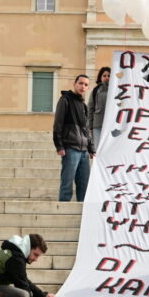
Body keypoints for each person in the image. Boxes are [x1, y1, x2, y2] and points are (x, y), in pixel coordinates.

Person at [53, 74, 96, 202]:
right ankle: (62, 211)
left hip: (83, 151)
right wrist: (59, 146)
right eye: (81, 83)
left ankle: (83, 216)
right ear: (75, 83)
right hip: (70, 148)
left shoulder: (84, 105)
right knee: (67, 184)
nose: (83, 86)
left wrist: (91, 148)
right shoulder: (65, 100)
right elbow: (57, 124)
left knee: (84, 185)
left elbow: (87, 130)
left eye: (86, 85)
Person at [90, 66, 111, 150]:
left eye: (109, 76)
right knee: (98, 149)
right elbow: (90, 108)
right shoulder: (95, 91)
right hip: (97, 126)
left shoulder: (117, 90)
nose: (107, 78)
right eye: (104, 75)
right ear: (100, 77)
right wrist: (90, 126)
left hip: (111, 127)